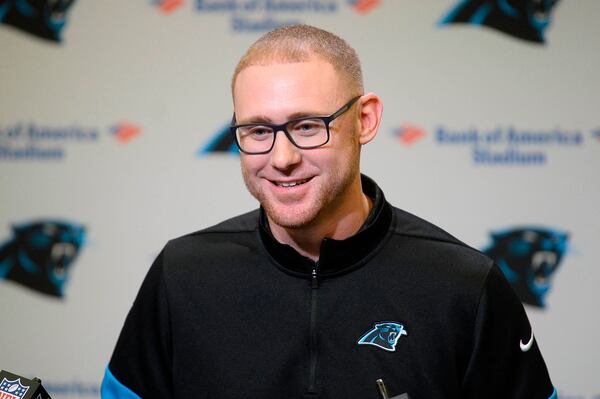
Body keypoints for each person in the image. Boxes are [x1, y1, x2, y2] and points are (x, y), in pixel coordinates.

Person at [101, 24, 556, 399]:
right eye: (258, 130)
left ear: (365, 120)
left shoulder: (464, 285)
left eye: (306, 126)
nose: (281, 158)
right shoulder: (181, 273)